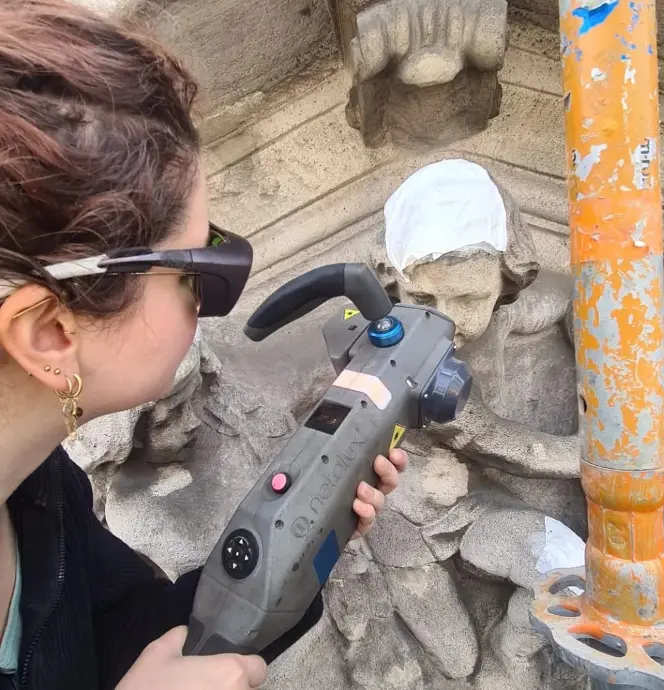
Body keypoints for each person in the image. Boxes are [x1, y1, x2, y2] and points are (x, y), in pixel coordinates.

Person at [0, 2, 409, 690]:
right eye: (195, 274)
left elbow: (130, 637)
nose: (212, 300)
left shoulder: (40, 487)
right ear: (50, 333)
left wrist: (305, 528)